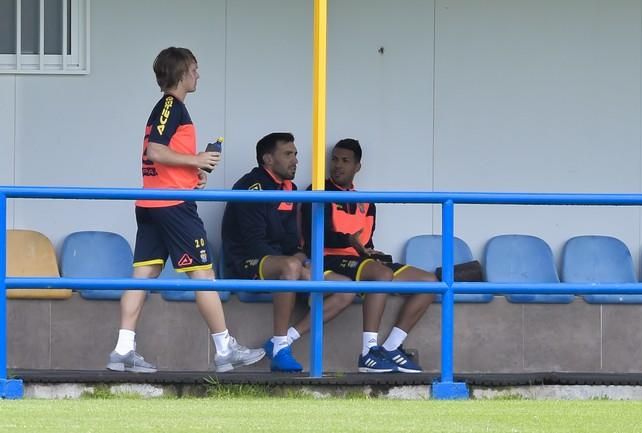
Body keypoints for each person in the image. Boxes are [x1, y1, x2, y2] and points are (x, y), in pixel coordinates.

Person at [107, 47, 265, 373]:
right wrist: (195, 160)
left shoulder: (170, 109)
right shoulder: (170, 105)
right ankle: (225, 350)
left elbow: (163, 155)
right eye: (194, 68)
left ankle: (123, 349)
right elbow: (155, 150)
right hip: (172, 206)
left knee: (143, 275)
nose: (198, 74)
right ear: (182, 72)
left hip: (155, 202)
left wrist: (192, 174)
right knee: (203, 274)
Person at [298, 138, 438, 373]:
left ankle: (392, 347)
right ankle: (368, 352)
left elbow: (365, 240)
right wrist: (348, 241)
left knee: (430, 283)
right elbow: (313, 237)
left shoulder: (367, 202)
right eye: (334, 160)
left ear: (357, 167)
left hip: (359, 260)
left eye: (345, 161)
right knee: (381, 274)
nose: (338, 165)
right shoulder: (317, 191)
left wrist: (370, 250)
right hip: (328, 259)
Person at [221, 132, 349, 372]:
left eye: (296, 154)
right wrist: (295, 267)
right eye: (288, 154)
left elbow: (293, 241)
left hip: (284, 263)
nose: (295, 161)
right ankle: (281, 346)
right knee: (290, 267)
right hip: (245, 261)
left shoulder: (289, 188)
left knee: (346, 288)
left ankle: (286, 339)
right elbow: (253, 243)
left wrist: (301, 261)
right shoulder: (252, 187)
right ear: (268, 159)